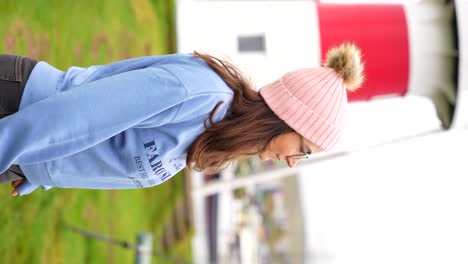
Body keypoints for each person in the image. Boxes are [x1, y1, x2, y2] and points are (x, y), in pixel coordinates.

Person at [0, 42, 364, 196]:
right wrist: (13, 146)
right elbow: (82, 114)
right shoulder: (201, 95)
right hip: (17, 109)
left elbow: (112, 142)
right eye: (302, 149)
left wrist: (43, 173)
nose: (293, 162)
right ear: (286, 117)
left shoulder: (222, 132)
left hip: (26, 146)